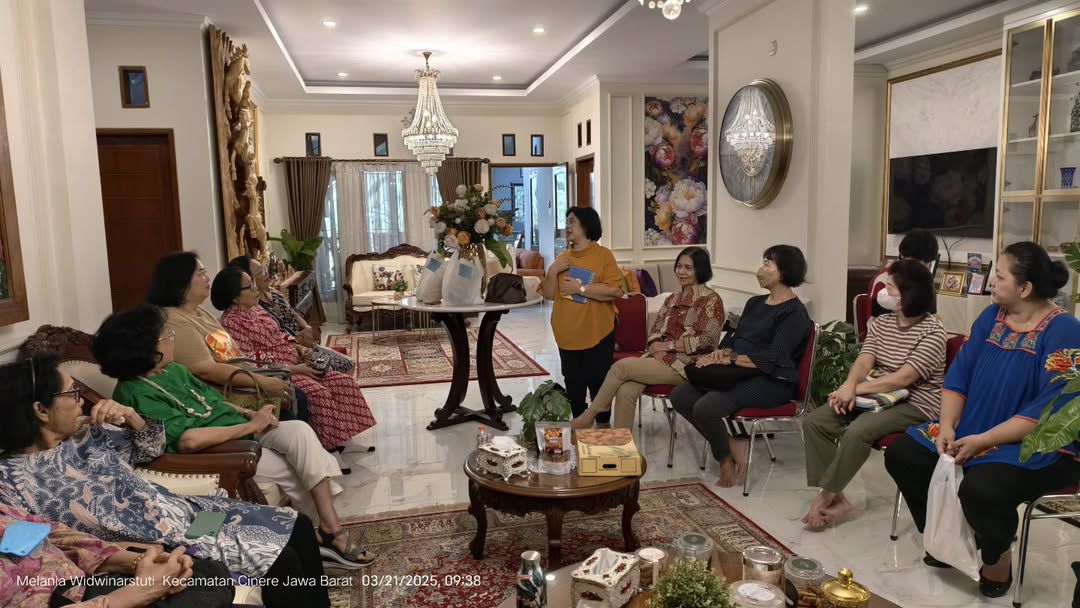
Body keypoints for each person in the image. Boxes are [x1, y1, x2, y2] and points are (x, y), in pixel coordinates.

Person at [0, 355, 331, 607]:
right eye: (72, 393)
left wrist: (132, 417)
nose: (81, 400)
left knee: (298, 525)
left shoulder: (87, 434)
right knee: (282, 560)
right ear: (41, 410)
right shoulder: (9, 480)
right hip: (162, 542)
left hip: (192, 514)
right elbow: (47, 546)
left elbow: (151, 448)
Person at [92, 305, 374, 568]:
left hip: (241, 431)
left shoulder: (173, 370)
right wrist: (250, 427)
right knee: (290, 467)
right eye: (167, 336)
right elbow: (189, 440)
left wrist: (250, 414)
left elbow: (214, 402)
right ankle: (326, 534)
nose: (172, 339)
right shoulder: (135, 392)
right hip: (217, 452)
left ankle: (327, 529)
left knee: (300, 432)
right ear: (147, 349)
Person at [884, 241, 1080, 598]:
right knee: (904, 455)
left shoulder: (1064, 329)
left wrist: (984, 441)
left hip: (1033, 443)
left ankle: (996, 554)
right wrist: (947, 427)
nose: (992, 281)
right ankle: (950, 535)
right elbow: (959, 376)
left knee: (982, 488)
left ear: (1025, 288)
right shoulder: (992, 316)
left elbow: (1047, 411)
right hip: (974, 427)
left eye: (1000, 277)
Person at [801, 260, 946, 528]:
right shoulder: (881, 323)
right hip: (875, 395)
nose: (883, 291)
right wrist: (849, 385)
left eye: (890, 287)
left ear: (909, 294)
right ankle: (838, 497)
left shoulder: (933, 332)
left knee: (857, 431)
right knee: (815, 421)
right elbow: (864, 360)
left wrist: (854, 389)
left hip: (916, 403)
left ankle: (825, 496)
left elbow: (904, 378)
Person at [670, 245, 812, 488]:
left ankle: (725, 458)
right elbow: (736, 339)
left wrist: (733, 359)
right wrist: (720, 353)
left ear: (784, 272)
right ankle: (732, 441)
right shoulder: (755, 303)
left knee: (706, 408)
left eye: (767, 263)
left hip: (772, 380)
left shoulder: (794, 313)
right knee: (681, 395)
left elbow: (774, 357)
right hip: (740, 372)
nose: (761, 269)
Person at [211, 267, 377, 454]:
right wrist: (294, 369)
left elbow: (279, 333)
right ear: (235, 297)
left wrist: (299, 348)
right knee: (319, 393)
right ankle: (330, 448)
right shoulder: (231, 322)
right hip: (279, 373)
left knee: (343, 382)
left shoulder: (256, 308)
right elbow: (250, 359)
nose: (255, 289)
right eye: (250, 286)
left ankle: (346, 440)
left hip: (296, 362)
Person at [571, 247, 725, 429]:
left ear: (701, 270)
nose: (681, 272)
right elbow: (655, 330)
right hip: (659, 359)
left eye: (688, 268)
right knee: (626, 390)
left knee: (620, 367)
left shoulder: (710, 299)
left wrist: (667, 347)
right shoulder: (672, 298)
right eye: (679, 266)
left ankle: (590, 414)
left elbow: (707, 340)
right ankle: (623, 445)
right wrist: (655, 347)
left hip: (687, 365)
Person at [145, 252, 301, 416]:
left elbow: (233, 354)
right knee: (297, 396)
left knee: (296, 392)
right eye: (201, 274)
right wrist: (264, 382)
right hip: (228, 394)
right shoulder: (173, 320)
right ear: (180, 281)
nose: (208, 278)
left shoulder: (199, 311)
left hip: (247, 377)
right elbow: (206, 370)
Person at [1, 502, 219, 608]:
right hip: (95, 600)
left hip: (89, 584)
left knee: (209, 575)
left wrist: (138, 563)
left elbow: (50, 532)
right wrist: (134, 594)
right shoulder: (21, 476)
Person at [541, 207, 625, 420]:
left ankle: (602, 430)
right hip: (567, 334)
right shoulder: (562, 258)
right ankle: (579, 428)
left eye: (572, 222)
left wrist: (580, 289)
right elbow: (549, 294)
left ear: (586, 226)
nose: (567, 227)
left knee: (599, 383)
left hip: (598, 331)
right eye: (566, 222)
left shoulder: (603, 255)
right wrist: (552, 271)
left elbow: (615, 290)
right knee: (573, 386)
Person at [227, 256, 354, 374]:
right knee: (339, 369)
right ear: (249, 279)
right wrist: (298, 343)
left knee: (349, 364)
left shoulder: (272, 292)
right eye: (260, 272)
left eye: (264, 268)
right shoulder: (254, 307)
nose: (266, 273)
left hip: (303, 346)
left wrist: (306, 327)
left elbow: (292, 312)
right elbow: (273, 338)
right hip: (293, 351)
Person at [870, 228, 939, 316]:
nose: (922, 271)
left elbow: (930, 315)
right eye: (916, 264)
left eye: (927, 264)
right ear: (902, 256)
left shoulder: (925, 280)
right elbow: (878, 321)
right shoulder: (884, 281)